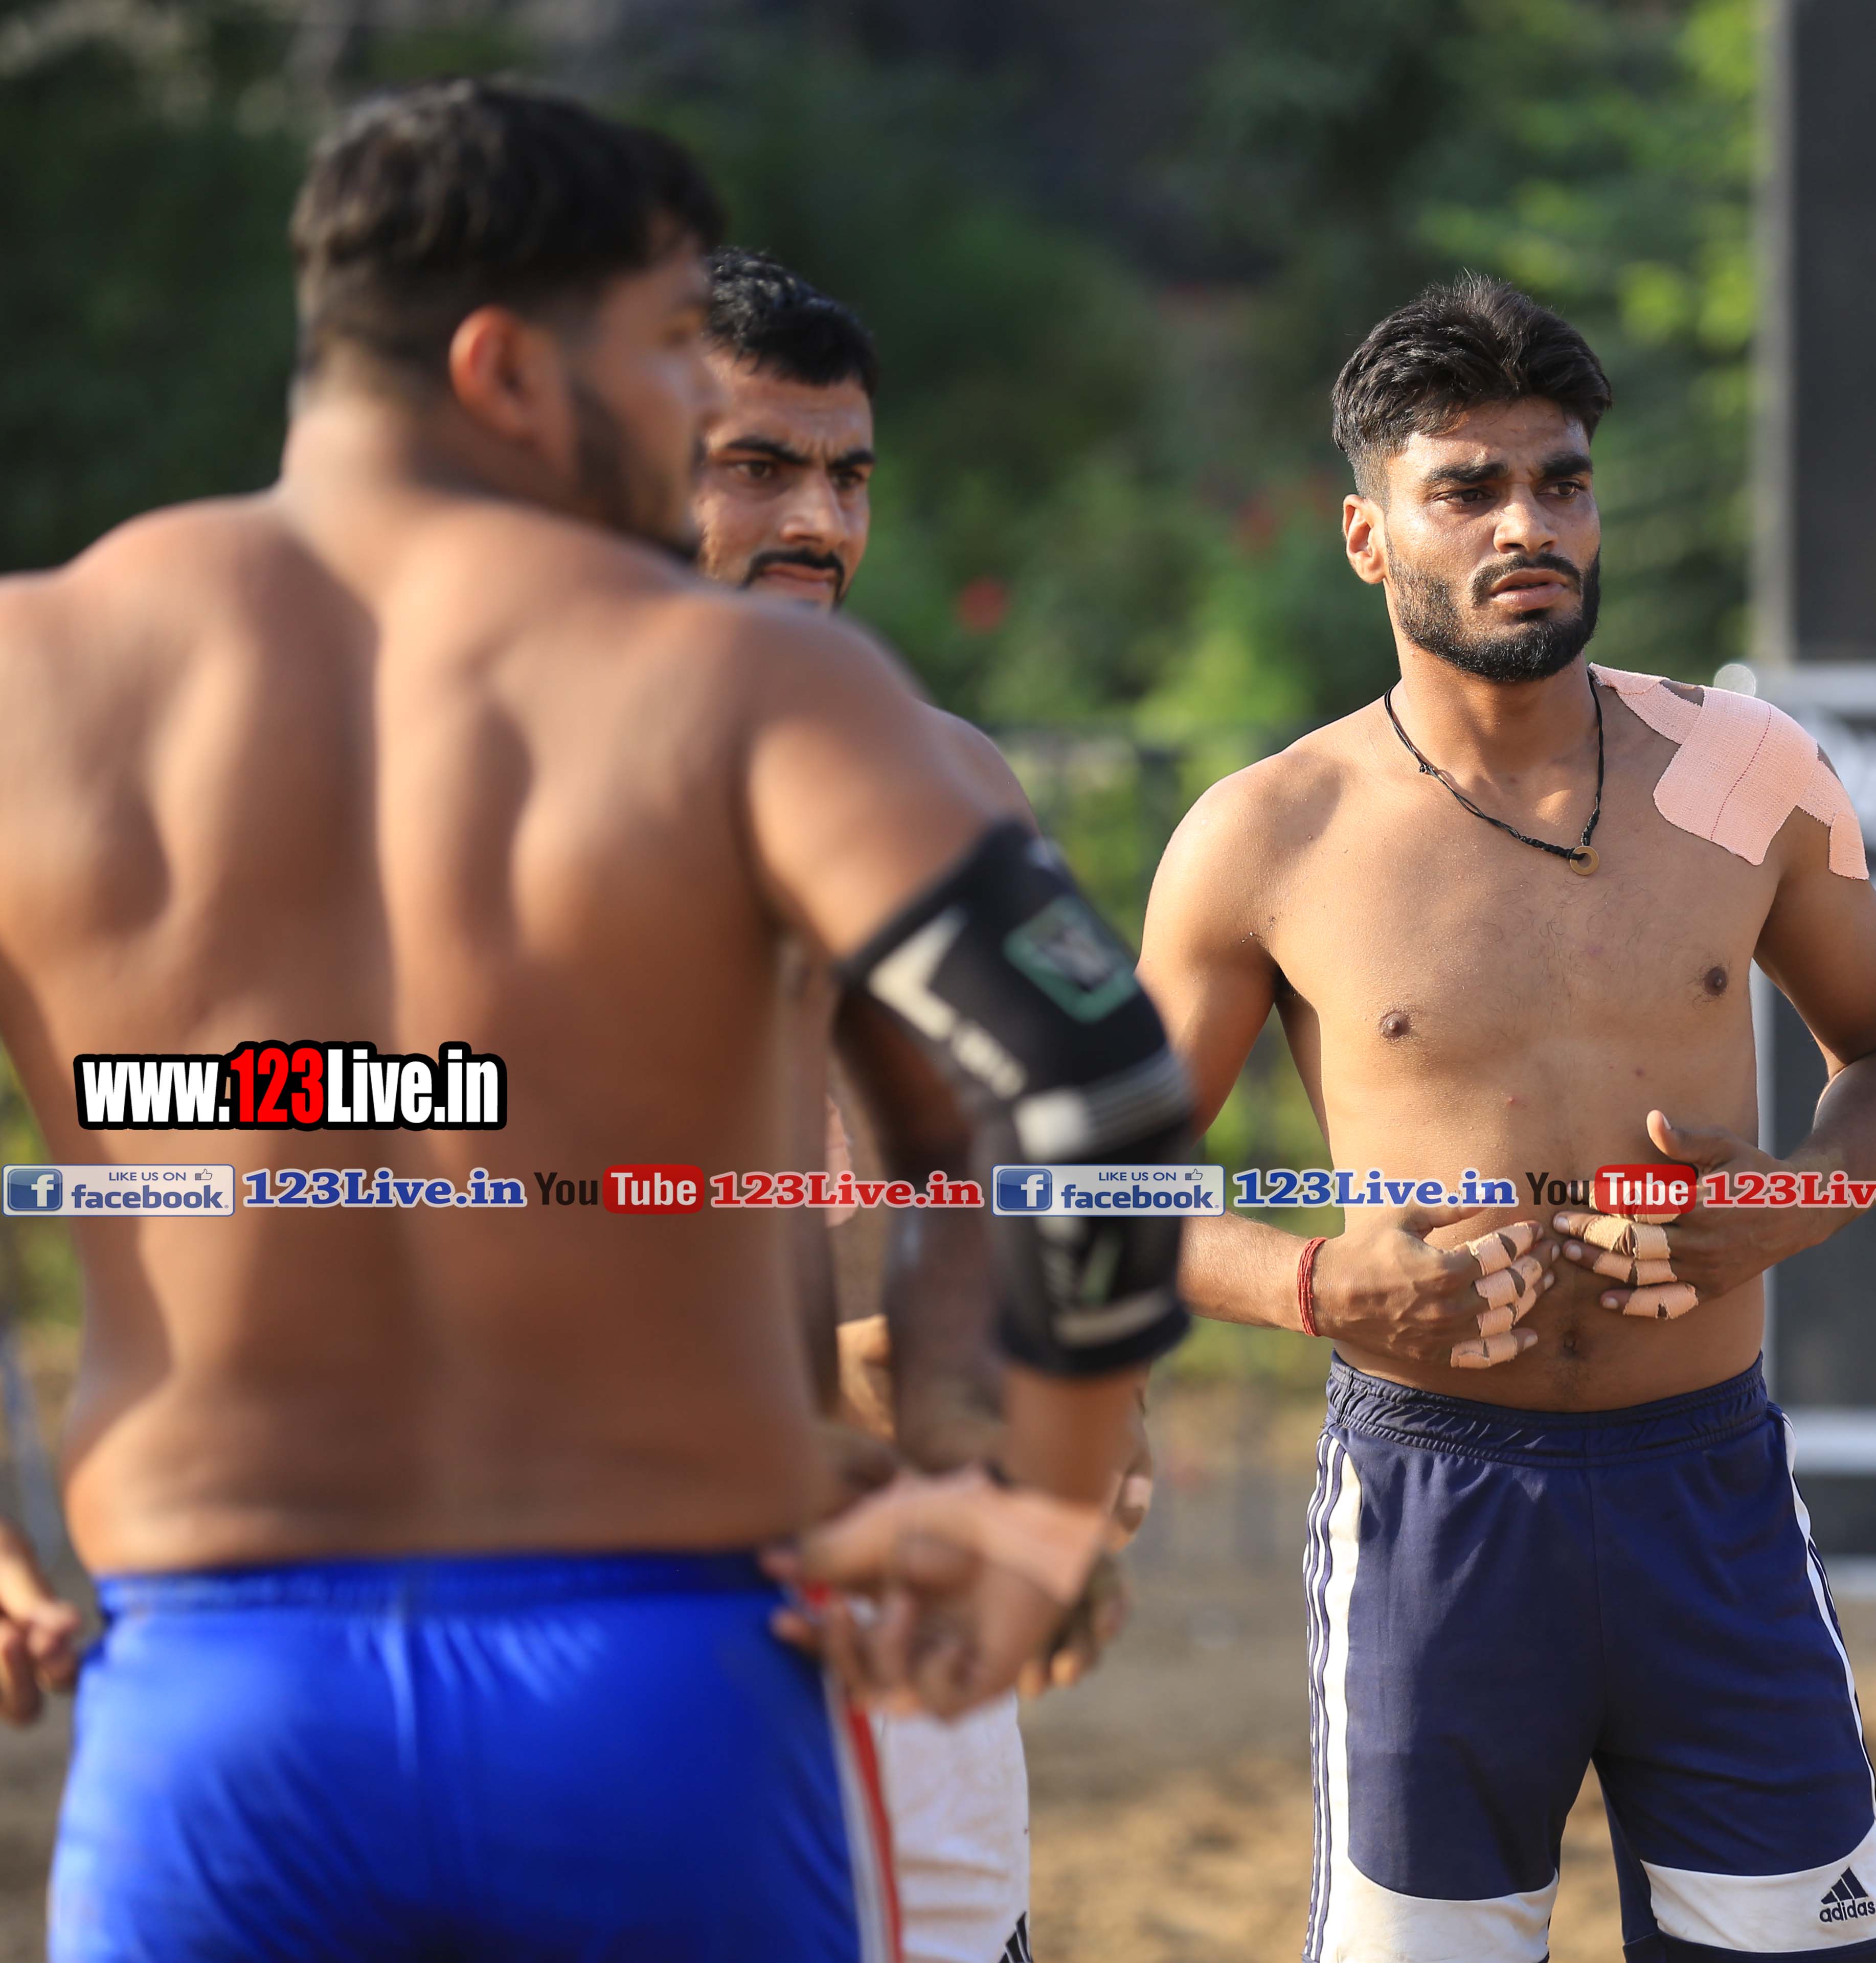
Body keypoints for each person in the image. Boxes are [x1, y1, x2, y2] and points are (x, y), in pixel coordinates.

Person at [0, 81, 1190, 1960]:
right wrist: (1032, 1512)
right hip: (661, 1691)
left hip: (220, 1717)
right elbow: (1098, 1088)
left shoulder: (32, 676)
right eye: (658, 353)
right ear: (506, 368)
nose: (683, 408)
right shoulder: (757, 695)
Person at [1134, 275, 1876, 1962]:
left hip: (1711, 1490)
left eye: (1563, 482)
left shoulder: (1746, 770)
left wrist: (1802, 1197)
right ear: (1367, 536)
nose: (1530, 525)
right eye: (1469, 489)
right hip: (1433, 1510)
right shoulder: (1269, 833)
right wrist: (1317, 1287)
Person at [691, 245, 1065, 1963]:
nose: (817, 522)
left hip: (893, 1551)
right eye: (757, 466)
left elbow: (1035, 1147)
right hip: (585, 1569)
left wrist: (1047, 1421)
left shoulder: (945, 780)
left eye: (848, 476)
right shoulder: (472, 786)